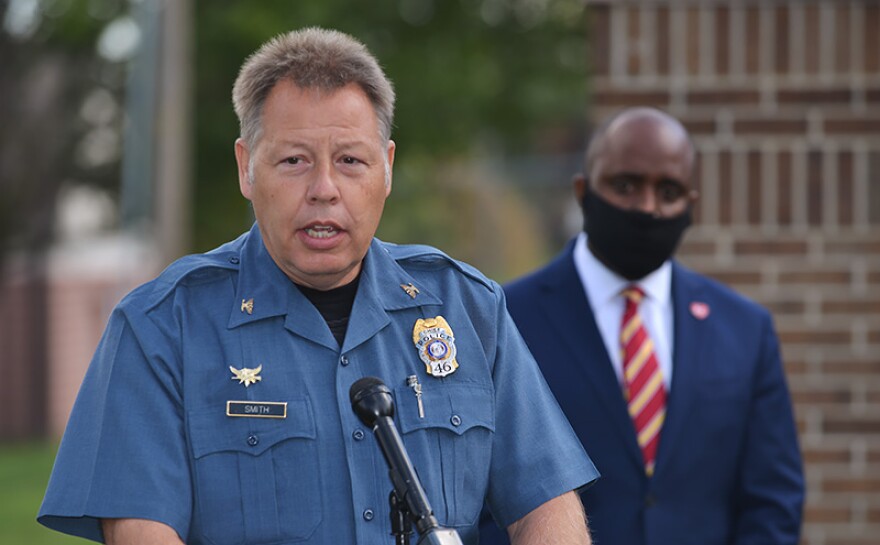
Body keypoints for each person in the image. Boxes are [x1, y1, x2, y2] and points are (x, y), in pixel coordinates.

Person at [38, 27, 599, 545]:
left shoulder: (466, 307)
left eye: (351, 160)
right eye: (294, 160)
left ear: (387, 168)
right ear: (246, 168)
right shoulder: (163, 326)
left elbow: (546, 505)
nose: (324, 188)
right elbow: (142, 529)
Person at [480, 107, 804, 545]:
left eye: (667, 191)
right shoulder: (504, 318)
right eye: (626, 185)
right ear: (583, 190)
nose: (647, 206)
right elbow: (482, 495)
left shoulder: (745, 330)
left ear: (689, 207)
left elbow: (773, 501)